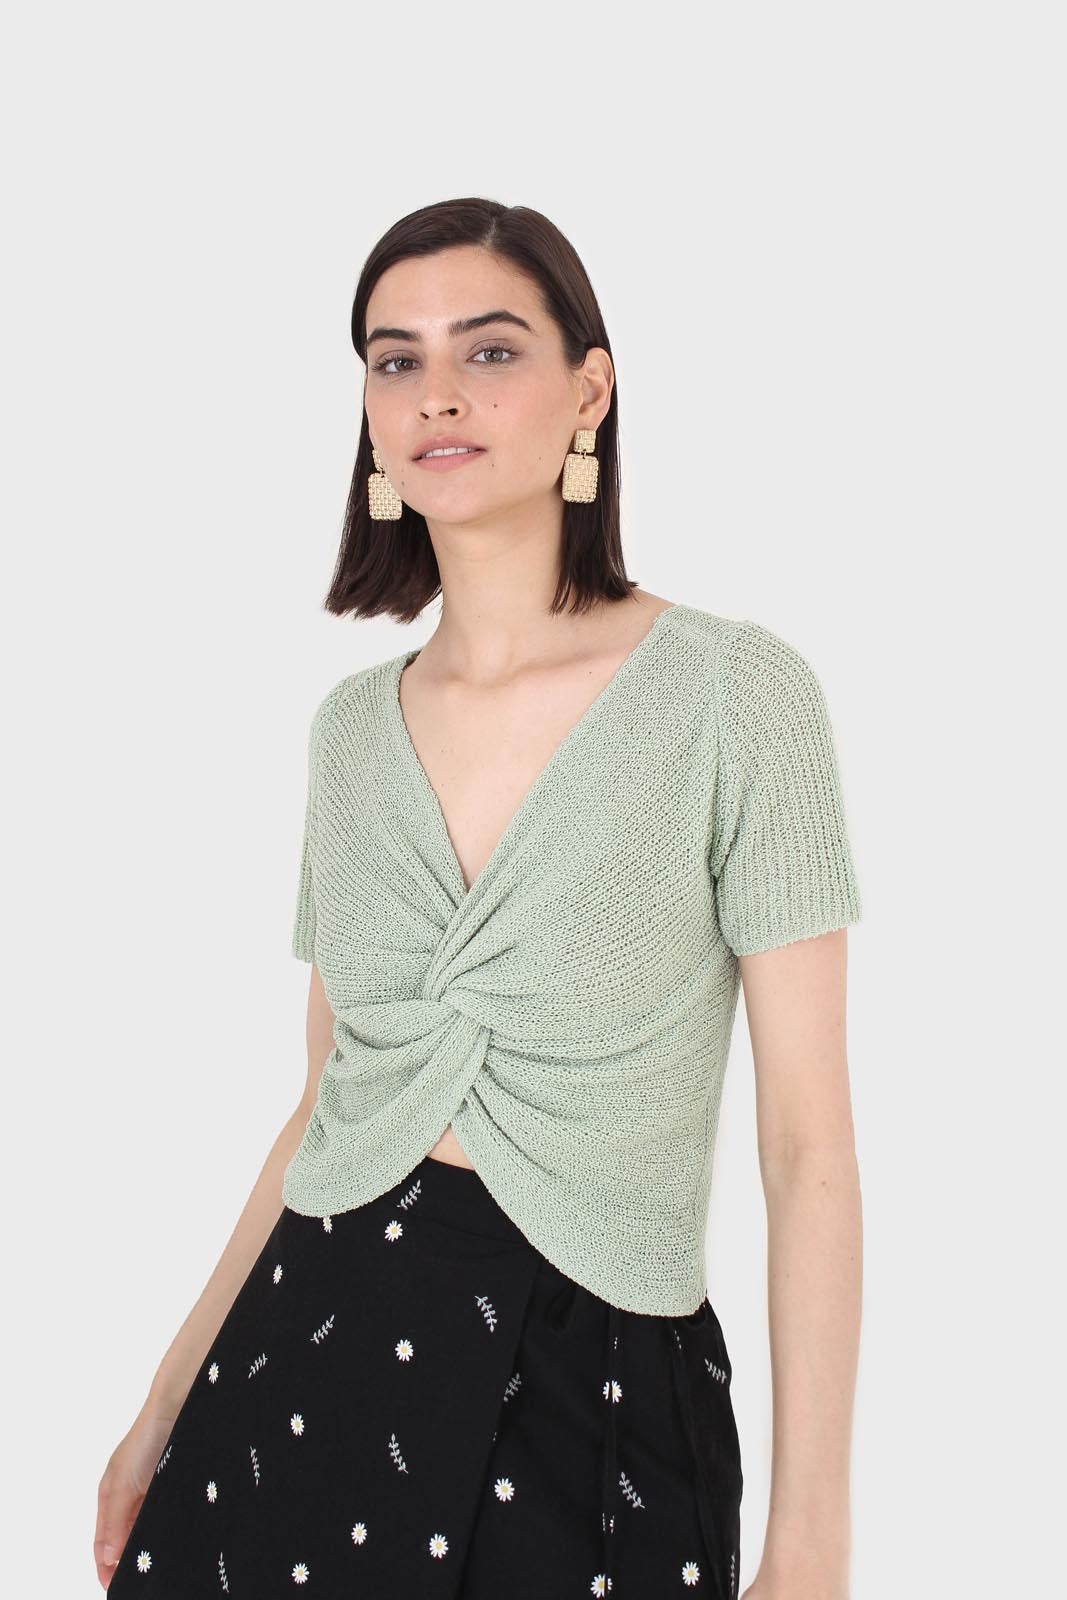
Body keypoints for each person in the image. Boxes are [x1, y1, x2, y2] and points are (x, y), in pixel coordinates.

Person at [96, 198, 863, 1599]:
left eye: (490, 350)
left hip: (595, 1395)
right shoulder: (350, 732)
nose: (435, 393)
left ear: (590, 389)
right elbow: (327, 1105)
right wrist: (163, 1405)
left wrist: (812, 1542)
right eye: (395, 360)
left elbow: (806, 1145)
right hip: (294, 1376)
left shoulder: (738, 698)